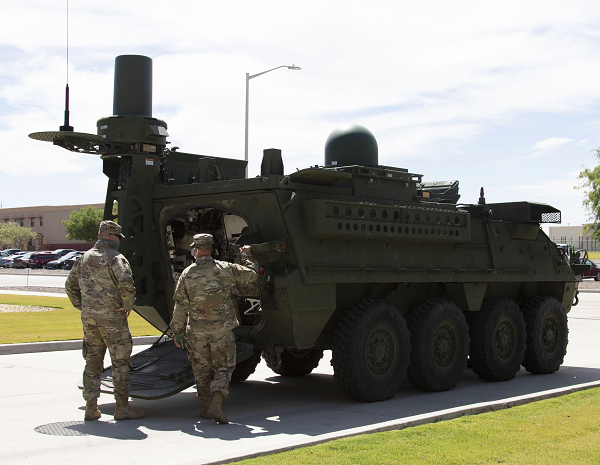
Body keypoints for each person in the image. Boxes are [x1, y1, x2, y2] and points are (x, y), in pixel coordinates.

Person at [170, 233, 258, 424]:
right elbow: (252, 276)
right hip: (222, 331)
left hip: (196, 333)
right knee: (223, 368)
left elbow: (180, 306)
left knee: (201, 369)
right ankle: (216, 405)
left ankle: (205, 406)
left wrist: (176, 331)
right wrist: (247, 255)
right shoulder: (225, 269)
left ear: (196, 250)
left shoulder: (187, 273)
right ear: (211, 249)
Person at [65, 220, 145, 422]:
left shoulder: (83, 258)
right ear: (111, 236)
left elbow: (69, 285)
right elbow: (126, 282)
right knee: (120, 362)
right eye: (117, 237)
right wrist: (127, 305)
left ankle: (91, 407)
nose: (118, 241)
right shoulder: (116, 258)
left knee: (92, 361)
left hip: (90, 319)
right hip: (112, 318)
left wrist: (82, 306)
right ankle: (122, 408)